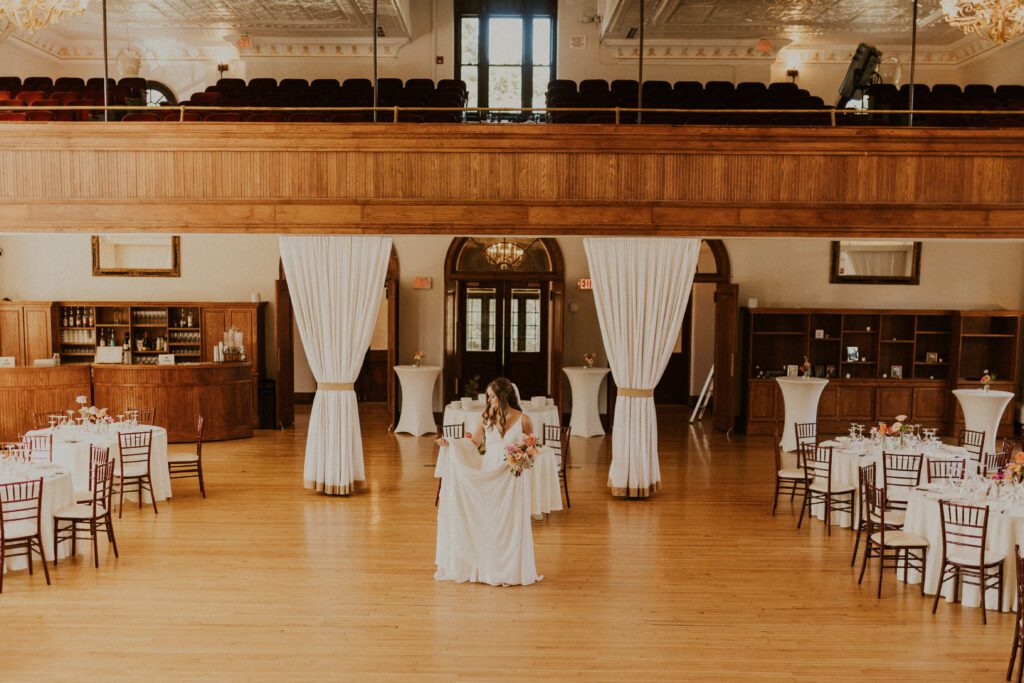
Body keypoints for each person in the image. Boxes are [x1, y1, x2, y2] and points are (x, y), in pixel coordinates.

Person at [434, 377, 541, 586]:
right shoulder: (486, 418)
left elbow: (532, 446)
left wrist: (523, 456)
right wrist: (451, 443)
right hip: (490, 472)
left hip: (512, 476)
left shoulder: (524, 419)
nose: (489, 400)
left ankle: (509, 570)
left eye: (492, 396)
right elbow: (473, 442)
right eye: (489, 396)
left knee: (510, 522)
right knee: (488, 520)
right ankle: (486, 567)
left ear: (503, 396)